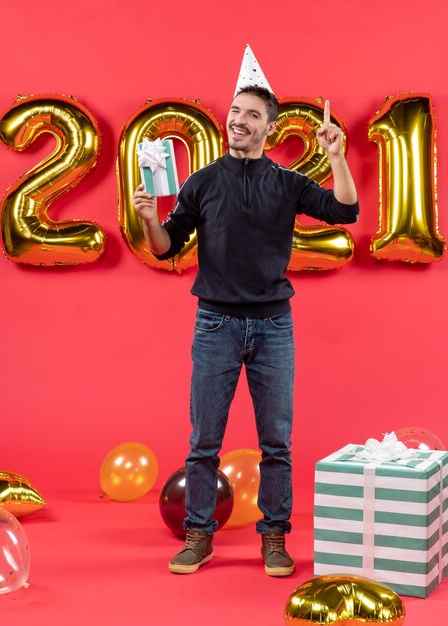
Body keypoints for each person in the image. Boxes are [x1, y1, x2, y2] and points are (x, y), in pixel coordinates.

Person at [133, 86, 359, 576]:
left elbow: (345, 210)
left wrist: (336, 157)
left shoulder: (288, 183)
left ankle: (274, 539)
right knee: (204, 442)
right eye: (235, 111)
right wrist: (152, 220)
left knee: (276, 441)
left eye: (251, 114)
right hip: (214, 323)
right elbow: (166, 247)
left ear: (268, 128)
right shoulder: (202, 181)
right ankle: (199, 536)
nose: (239, 119)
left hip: (274, 324)